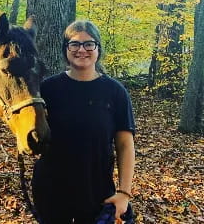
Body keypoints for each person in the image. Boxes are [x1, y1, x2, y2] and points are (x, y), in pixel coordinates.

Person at [31, 20, 136, 224]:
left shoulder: (115, 92)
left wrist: (124, 193)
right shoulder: (47, 89)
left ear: (98, 49)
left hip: (96, 191)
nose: (82, 50)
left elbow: (125, 145)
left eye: (89, 44)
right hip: (51, 190)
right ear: (66, 49)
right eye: (75, 44)